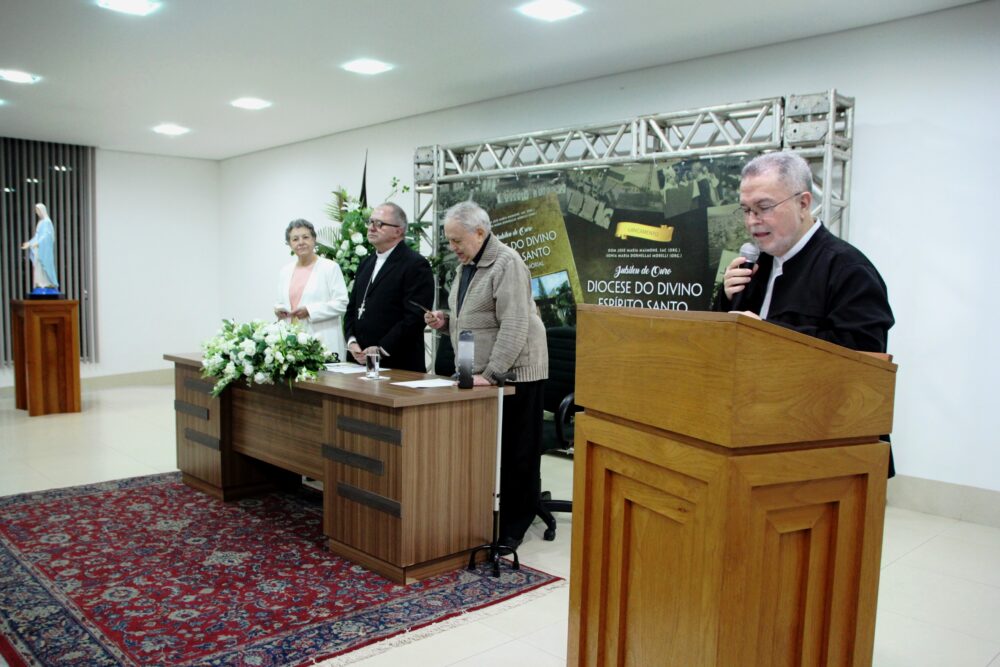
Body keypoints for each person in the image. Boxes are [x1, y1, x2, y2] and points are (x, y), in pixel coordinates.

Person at [716, 150, 896, 473]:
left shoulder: (849, 269)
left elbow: (862, 363)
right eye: (746, 210)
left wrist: (767, 334)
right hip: (752, 437)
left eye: (764, 207)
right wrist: (726, 299)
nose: (752, 221)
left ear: (803, 203)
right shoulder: (754, 265)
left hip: (825, 452)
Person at [425, 201, 548, 548]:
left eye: (457, 240)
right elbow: (475, 315)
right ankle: (485, 518)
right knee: (488, 451)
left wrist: (493, 374)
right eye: (449, 240)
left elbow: (514, 323)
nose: (452, 247)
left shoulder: (507, 262)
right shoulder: (467, 265)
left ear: (479, 233)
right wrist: (445, 320)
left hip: (517, 372)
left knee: (516, 453)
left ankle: (514, 527)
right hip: (481, 372)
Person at [344, 203, 434, 372]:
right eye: (370, 222)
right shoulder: (366, 263)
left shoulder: (415, 264)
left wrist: (381, 349)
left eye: (379, 224)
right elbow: (352, 309)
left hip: (398, 362)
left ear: (398, 231)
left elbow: (414, 317)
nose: (371, 228)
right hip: (359, 360)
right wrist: (352, 341)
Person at [275, 219, 349, 359]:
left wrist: (310, 311)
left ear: (314, 239)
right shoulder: (285, 271)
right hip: (292, 342)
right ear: (289, 244)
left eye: (305, 237)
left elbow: (341, 304)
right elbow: (281, 302)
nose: (301, 242)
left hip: (323, 340)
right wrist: (278, 310)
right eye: (295, 239)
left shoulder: (330, 267)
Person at [21, 203, 59, 291]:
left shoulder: (47, 222)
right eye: (36, 211)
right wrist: (29, 243)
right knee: (38, 265)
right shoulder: (40, 222)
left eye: (38, 210)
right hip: (38, 249)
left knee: (45, 265)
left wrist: (38, 242)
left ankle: (48, 283)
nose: (37, 212)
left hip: (45, 249)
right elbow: (37, 236)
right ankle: (39, 283)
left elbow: (47, 235)